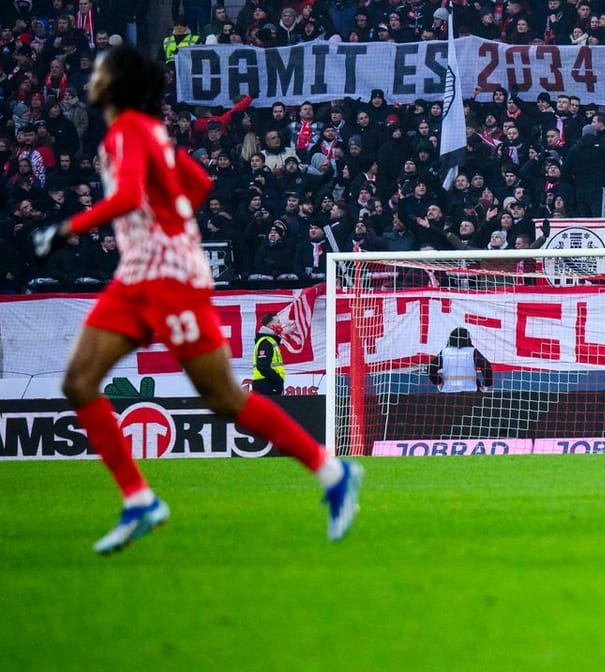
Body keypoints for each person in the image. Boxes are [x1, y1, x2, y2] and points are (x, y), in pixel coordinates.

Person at [33, 45, 362, 554]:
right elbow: (198, 182)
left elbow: (125, 198)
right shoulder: (147, 133)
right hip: (136, 275)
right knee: (79, 382)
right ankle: (139, 499)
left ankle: (333, 471)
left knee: (224, 398)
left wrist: (66, 228)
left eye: (100, 70)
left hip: (169, 278)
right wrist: (172, 218)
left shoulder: (128, 133)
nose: (92, 76)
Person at [427, 327, 494, 392]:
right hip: (471, 391)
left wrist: (438, 382)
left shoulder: (444, 352)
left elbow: (430, 369)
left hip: (448, 391)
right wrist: (486, 385)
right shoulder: (472, 352)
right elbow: (486, 366)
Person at [249, 310, 286, 395]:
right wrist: (277, 379)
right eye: (278, 322)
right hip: (266, 385)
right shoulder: (266, 342)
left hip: (269, 384)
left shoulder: (270, 341)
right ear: (270, 325)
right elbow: (262, 366)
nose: (280, 325)